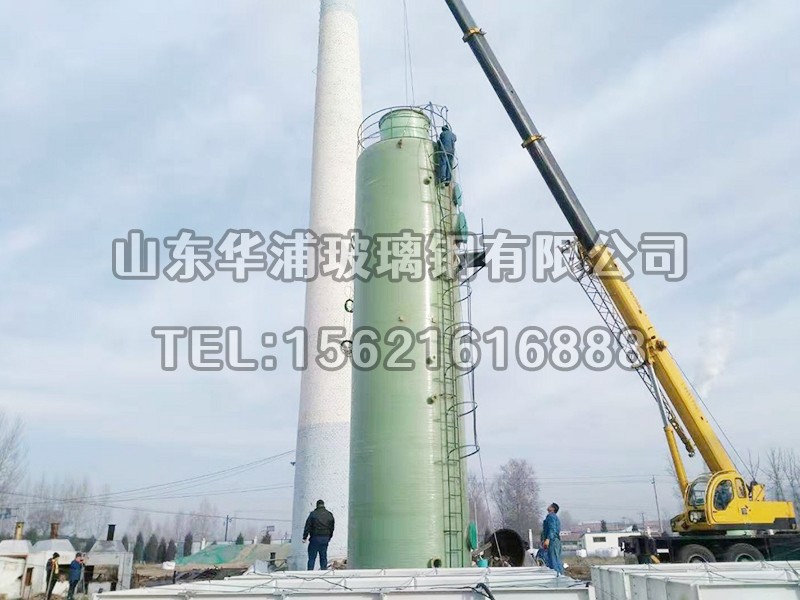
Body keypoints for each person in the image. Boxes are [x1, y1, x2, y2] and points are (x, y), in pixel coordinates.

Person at [303, 499, 335, 570]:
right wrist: (329, 536)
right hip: (325, 538)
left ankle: (310, 572)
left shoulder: (313, 514)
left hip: (315, 538)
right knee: (323, 556)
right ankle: (324, 571)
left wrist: (304, 537)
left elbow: (308, 526)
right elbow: (332, 527)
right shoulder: (329, 514)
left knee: (312, 557)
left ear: (317, 505)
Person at [542, 503, 564, 575]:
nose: (548, 506)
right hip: (554, 540)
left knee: (554, 559)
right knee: (555, 559)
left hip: (553, 540)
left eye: (550, 506)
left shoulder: (551, 516)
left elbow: (552, 529)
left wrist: (548, 539)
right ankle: (559, 575)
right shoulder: (553, 517)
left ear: (553, 509)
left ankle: (557, 576)